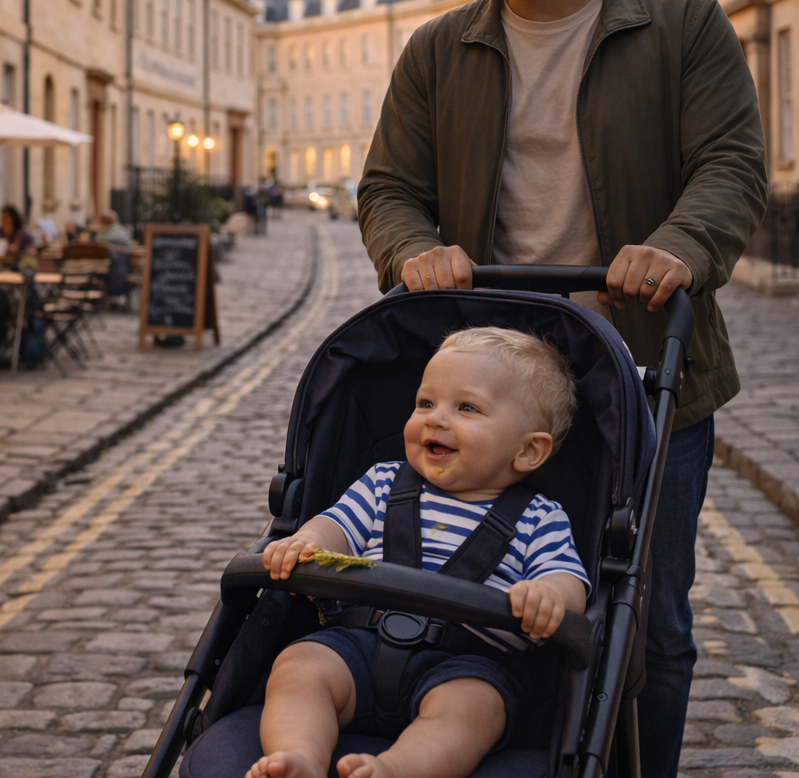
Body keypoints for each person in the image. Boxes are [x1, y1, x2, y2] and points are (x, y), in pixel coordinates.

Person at [356, 0, 767, 778]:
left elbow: (732, 166)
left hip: (646, 374)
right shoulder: (437, 51)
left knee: (651, 623)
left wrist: (677, 244)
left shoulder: (681, 26)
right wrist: (412, 249)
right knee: (467, 600)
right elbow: (388, 189)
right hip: (493, 382)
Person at [247, 327, 587, 778]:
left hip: (469, 663)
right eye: (425, 403)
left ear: (528, 450)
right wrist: (308, 542)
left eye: (466, 408)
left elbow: (568, 582)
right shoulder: (383, 482)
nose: (435, 418)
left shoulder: (538, 518)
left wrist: (549, 596)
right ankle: (300, 757)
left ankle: (397, 770)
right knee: (299, 666)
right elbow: (336, 527)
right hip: (357, 645)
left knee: (472, 710)